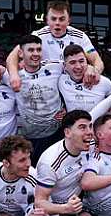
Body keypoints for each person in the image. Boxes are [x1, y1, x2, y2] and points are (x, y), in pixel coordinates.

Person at [7, 0, 105, 88]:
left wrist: (94, 70)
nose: (57, 23)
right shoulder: (38, 35)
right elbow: (12, 56)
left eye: (62, 19)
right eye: (53, 19)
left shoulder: (80, 36)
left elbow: (97, 60)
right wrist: (14, 75)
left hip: (72, 85)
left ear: (69, 20)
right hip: (46, 86)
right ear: (47, 20)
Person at [4, 35, 65, 163]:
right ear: (20, 53)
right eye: (31, 50)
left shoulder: (56, 68)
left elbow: (78, 66)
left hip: (56, 134)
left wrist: (91, 68)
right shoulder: (10, 76)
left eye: (38, 49)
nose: (36, 53)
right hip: (29, 138)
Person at [58, 44, 111, 112]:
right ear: (65, 66)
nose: (78, 66)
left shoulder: (104, 82)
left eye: (81, 61)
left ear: (87, 62)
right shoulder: (60, 81)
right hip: (73, 122)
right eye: (72, 62)